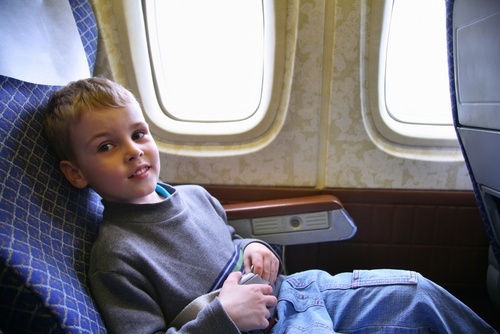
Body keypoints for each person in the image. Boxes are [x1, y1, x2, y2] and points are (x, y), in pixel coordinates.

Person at [43, 77, 497, 334]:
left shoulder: (196, 198)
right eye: (106, 146)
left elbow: (234, 241)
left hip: (298, 294)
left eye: (139, 134)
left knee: (413, 292)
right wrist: (225, 318)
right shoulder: (116, 257)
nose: (134, 151)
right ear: (76, 173)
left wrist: (254, 247)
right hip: (262, 329)